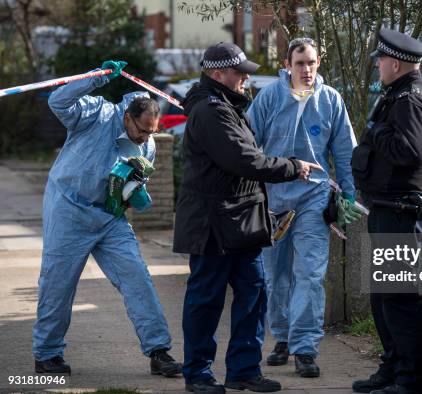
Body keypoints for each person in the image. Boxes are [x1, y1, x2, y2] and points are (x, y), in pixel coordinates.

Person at [173, 42, 323, 394]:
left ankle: (244, 370)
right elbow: (245, 160)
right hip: (213, 224)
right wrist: (292, 166)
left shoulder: (226, 105)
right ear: (217, 74)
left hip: (241, 221)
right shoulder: (212, 111)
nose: (245, 78)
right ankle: (198, 374)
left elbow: (248, 158)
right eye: (239, 72)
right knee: (205, 301)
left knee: (254, 295)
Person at [33, 60, 182, 377]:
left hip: (109, 217)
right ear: (127, 117)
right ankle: (47, 354)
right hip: (68, 208)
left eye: (151, 133)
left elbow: (136, 183)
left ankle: (159, 351)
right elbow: (57, 101)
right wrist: (94, 79)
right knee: (58, 284)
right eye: (142, 131)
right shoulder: (95, 114)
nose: (145, 140)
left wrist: (133, 195)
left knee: (137, 278)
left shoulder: (148, 144)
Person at [247, 37, 360, 378]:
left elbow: (344, 151)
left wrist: (349, 195)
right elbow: (249, 146)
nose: (306, 69)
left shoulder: (330, 100)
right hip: (273, 198)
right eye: (300, 63)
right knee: (275, 274)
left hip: (313, 196)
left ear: (319, 63)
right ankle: (281, 337)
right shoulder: (269, 98)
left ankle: (305, 347)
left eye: (311, 62)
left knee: (310, 273)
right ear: (287, 65)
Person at [350, 28, 422, 394]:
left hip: (401, 213)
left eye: (381, 61)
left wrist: (374, 133)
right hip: (387, 209)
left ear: (397, 63)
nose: (377, 67)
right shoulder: (398, 95)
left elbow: (411, 151)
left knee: (400, 300)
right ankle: (392, 369)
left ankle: (412, 380)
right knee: (384, 296)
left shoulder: (411, 100)